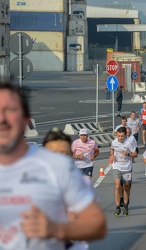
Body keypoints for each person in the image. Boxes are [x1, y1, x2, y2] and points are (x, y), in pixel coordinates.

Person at [0, 82, 106, 249]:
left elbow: (98, 225)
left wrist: (56, 229)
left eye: (10, 110)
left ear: (26, 120)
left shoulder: (57, 165)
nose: (2, 119)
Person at [109, 127, 138, 216]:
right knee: (117, 186)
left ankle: (125, 205)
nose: (120, 138)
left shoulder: (129, 143)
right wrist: (112, 156)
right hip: (117, 166)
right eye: (119, 136)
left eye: (122, 136)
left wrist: (128, 154)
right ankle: (117, 206)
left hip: (127, 168)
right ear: (117, 135)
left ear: (125, 135)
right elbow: (112, 149)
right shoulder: (114, 142)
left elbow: (135, 154)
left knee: (126, 187)